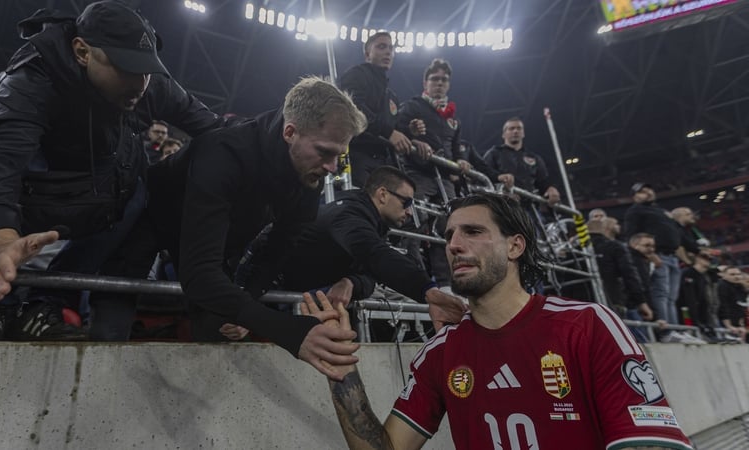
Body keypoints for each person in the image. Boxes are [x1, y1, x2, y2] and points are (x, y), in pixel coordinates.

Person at [307, 193, 692, 449]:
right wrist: (342, 371)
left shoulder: (589, 325)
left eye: (473, 232)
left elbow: (650, 443)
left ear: (515, 245)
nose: (454, 245)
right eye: (450, 235)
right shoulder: (440, 352)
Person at [0, 1, 223, 340]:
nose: (139, 83)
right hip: (33, 186)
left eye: (145, 69)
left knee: (140, 191)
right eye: (125, 67)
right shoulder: (33, 76)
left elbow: (218, 130)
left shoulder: (150, 84)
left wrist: (273, 140)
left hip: (104, 189)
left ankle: (46, 304)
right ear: (82, 52)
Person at [174, 76, 369, 379]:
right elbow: (198, 273)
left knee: (217, 326)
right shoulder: (225, 151)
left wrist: (247, 306)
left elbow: (277, 252)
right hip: (152, 230)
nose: (333, 168)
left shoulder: (308, 176)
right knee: (115, 317)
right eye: (325, 152)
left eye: (338, 155)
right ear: (290, 132)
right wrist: (290, 332)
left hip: (221, 247)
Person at [274, 166, 465, 330]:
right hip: (278, 301)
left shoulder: (368, 218)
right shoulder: (348, 214)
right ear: (382, 194)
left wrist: (351, 282)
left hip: (301, 297)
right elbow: (376, 256)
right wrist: (427, 289)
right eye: (406, 202)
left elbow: (370, 274)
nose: (409, 212)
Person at [395, 58, 471, 287]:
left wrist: (461, 161)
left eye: (444, 80)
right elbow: (395, 130)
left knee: (449, 230)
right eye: (435, 79)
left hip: (445, 180)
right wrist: (411, 134)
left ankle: (447, 286)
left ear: (449, 84)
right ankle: (413, 282)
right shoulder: (413, 106)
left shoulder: (454, 119)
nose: (439, 83)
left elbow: (456, 148)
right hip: (417, 174)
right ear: (425, 82)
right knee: (411, 223)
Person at [339, 32, 416, 188]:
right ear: (367, 54)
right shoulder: (357, 74)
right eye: (381, 47)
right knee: (361, 200)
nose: (388, 52)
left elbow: (394, 129)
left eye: (391, 48)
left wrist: (409, 131)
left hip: (383, 163)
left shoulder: (391, 95)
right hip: (356, 155)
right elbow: (354, 108)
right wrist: (389, 132)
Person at [623, 183, 697, 326]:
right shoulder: (635, 211)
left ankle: (675, 328)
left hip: (672, 257)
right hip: (658, 255)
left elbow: (676, 233)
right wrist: (650, 255)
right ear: (635, 197)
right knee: (661, 294)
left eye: (649, 190)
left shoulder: (659, 211)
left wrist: (695, 250)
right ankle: (665, 329)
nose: (648, 193)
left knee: (671, 298)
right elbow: (631, 236)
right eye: (642, 191)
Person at [474, 117, 561, 204]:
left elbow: (543, 181)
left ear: (523, 133)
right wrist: (499, 179)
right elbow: (484, 175)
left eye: (519, 128)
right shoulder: (494, 153)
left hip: (528, 205)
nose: (515, 131)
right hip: (501, 203)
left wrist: (551, 188)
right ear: (503, 134)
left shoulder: (534, 158)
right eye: (511, 128)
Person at [588, 217, 653, 320]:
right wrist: (641, 301)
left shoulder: (573, 250)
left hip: (582, 303)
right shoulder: (614, 246)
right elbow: (629, 274)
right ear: (605, 228)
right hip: (611, 300)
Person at [717, 266, 748, 341]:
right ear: (724, 276)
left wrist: (741, 325)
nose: (736, 276)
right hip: (725, 324)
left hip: (738, 324)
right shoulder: (722, 285)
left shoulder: (740, 286)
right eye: (732, 274)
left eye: (738, 274)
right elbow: (723, 306)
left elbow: (742, 306)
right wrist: (729, 326)